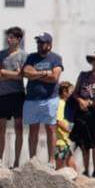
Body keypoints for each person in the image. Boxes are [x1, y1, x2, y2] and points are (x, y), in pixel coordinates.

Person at [20, 33, 64, 166]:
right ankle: (33, 159)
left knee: (50, 128)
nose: (39, 45)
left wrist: (35, 75)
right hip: (32, 98)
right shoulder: (31, 57)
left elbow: (54, 77)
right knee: (33, 129)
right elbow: (26, 72)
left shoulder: (55, 58)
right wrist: (44, 73)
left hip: (49, 98)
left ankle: (51, 160)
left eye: (42, 43)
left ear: (49, 45)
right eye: (38, 42)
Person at [0, 26, 28, 165]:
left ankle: (17, 161)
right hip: (3, 95)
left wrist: (5, 73)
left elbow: (23, 76)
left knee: (18, 127)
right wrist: (12, 74)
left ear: (18, 39)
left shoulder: (24, 56)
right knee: (0, 128)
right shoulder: (0, 54)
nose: (8, 39)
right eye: (8, 36)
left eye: (12, 37)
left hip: (18, 95)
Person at [71, 51, 95, 178]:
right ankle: (86, 169)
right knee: (83, 143)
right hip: (81, 111)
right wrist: (81, 101)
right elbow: (75, 92)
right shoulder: (83, 75)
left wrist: (91, 103)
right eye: (93, 60)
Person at [52, 83, 77, 172]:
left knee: (72, 166)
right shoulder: (60, 103)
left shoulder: (67, 105)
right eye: (71, 91)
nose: (74, 94)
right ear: (64, 92)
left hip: (67, 141)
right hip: (61, 142)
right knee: (59, 167)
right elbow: (59, 121)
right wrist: (70, 130)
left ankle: (73, 183)